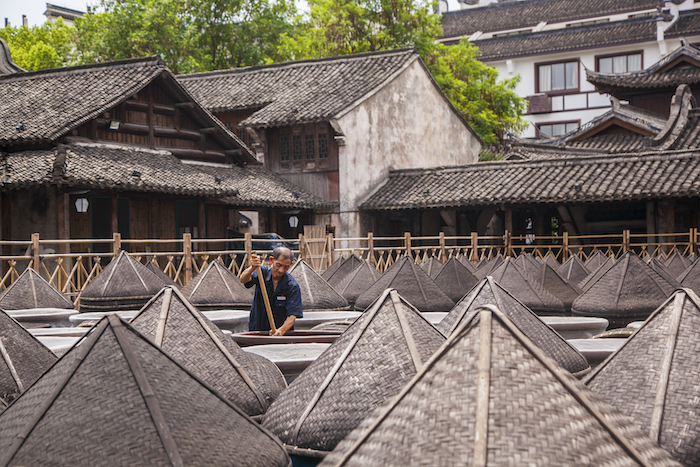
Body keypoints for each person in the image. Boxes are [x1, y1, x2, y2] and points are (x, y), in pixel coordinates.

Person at [240, 246, 302, 336]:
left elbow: (292, 316)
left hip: (280, 334)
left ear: (290, 264)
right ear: (272, 260)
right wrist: (252, 268)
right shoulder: (261, 273)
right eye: (278, 265)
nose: (281, 270)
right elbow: (243, 280)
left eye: (286, 267)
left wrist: (281, 330)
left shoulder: (292, 286)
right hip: (258, 331)